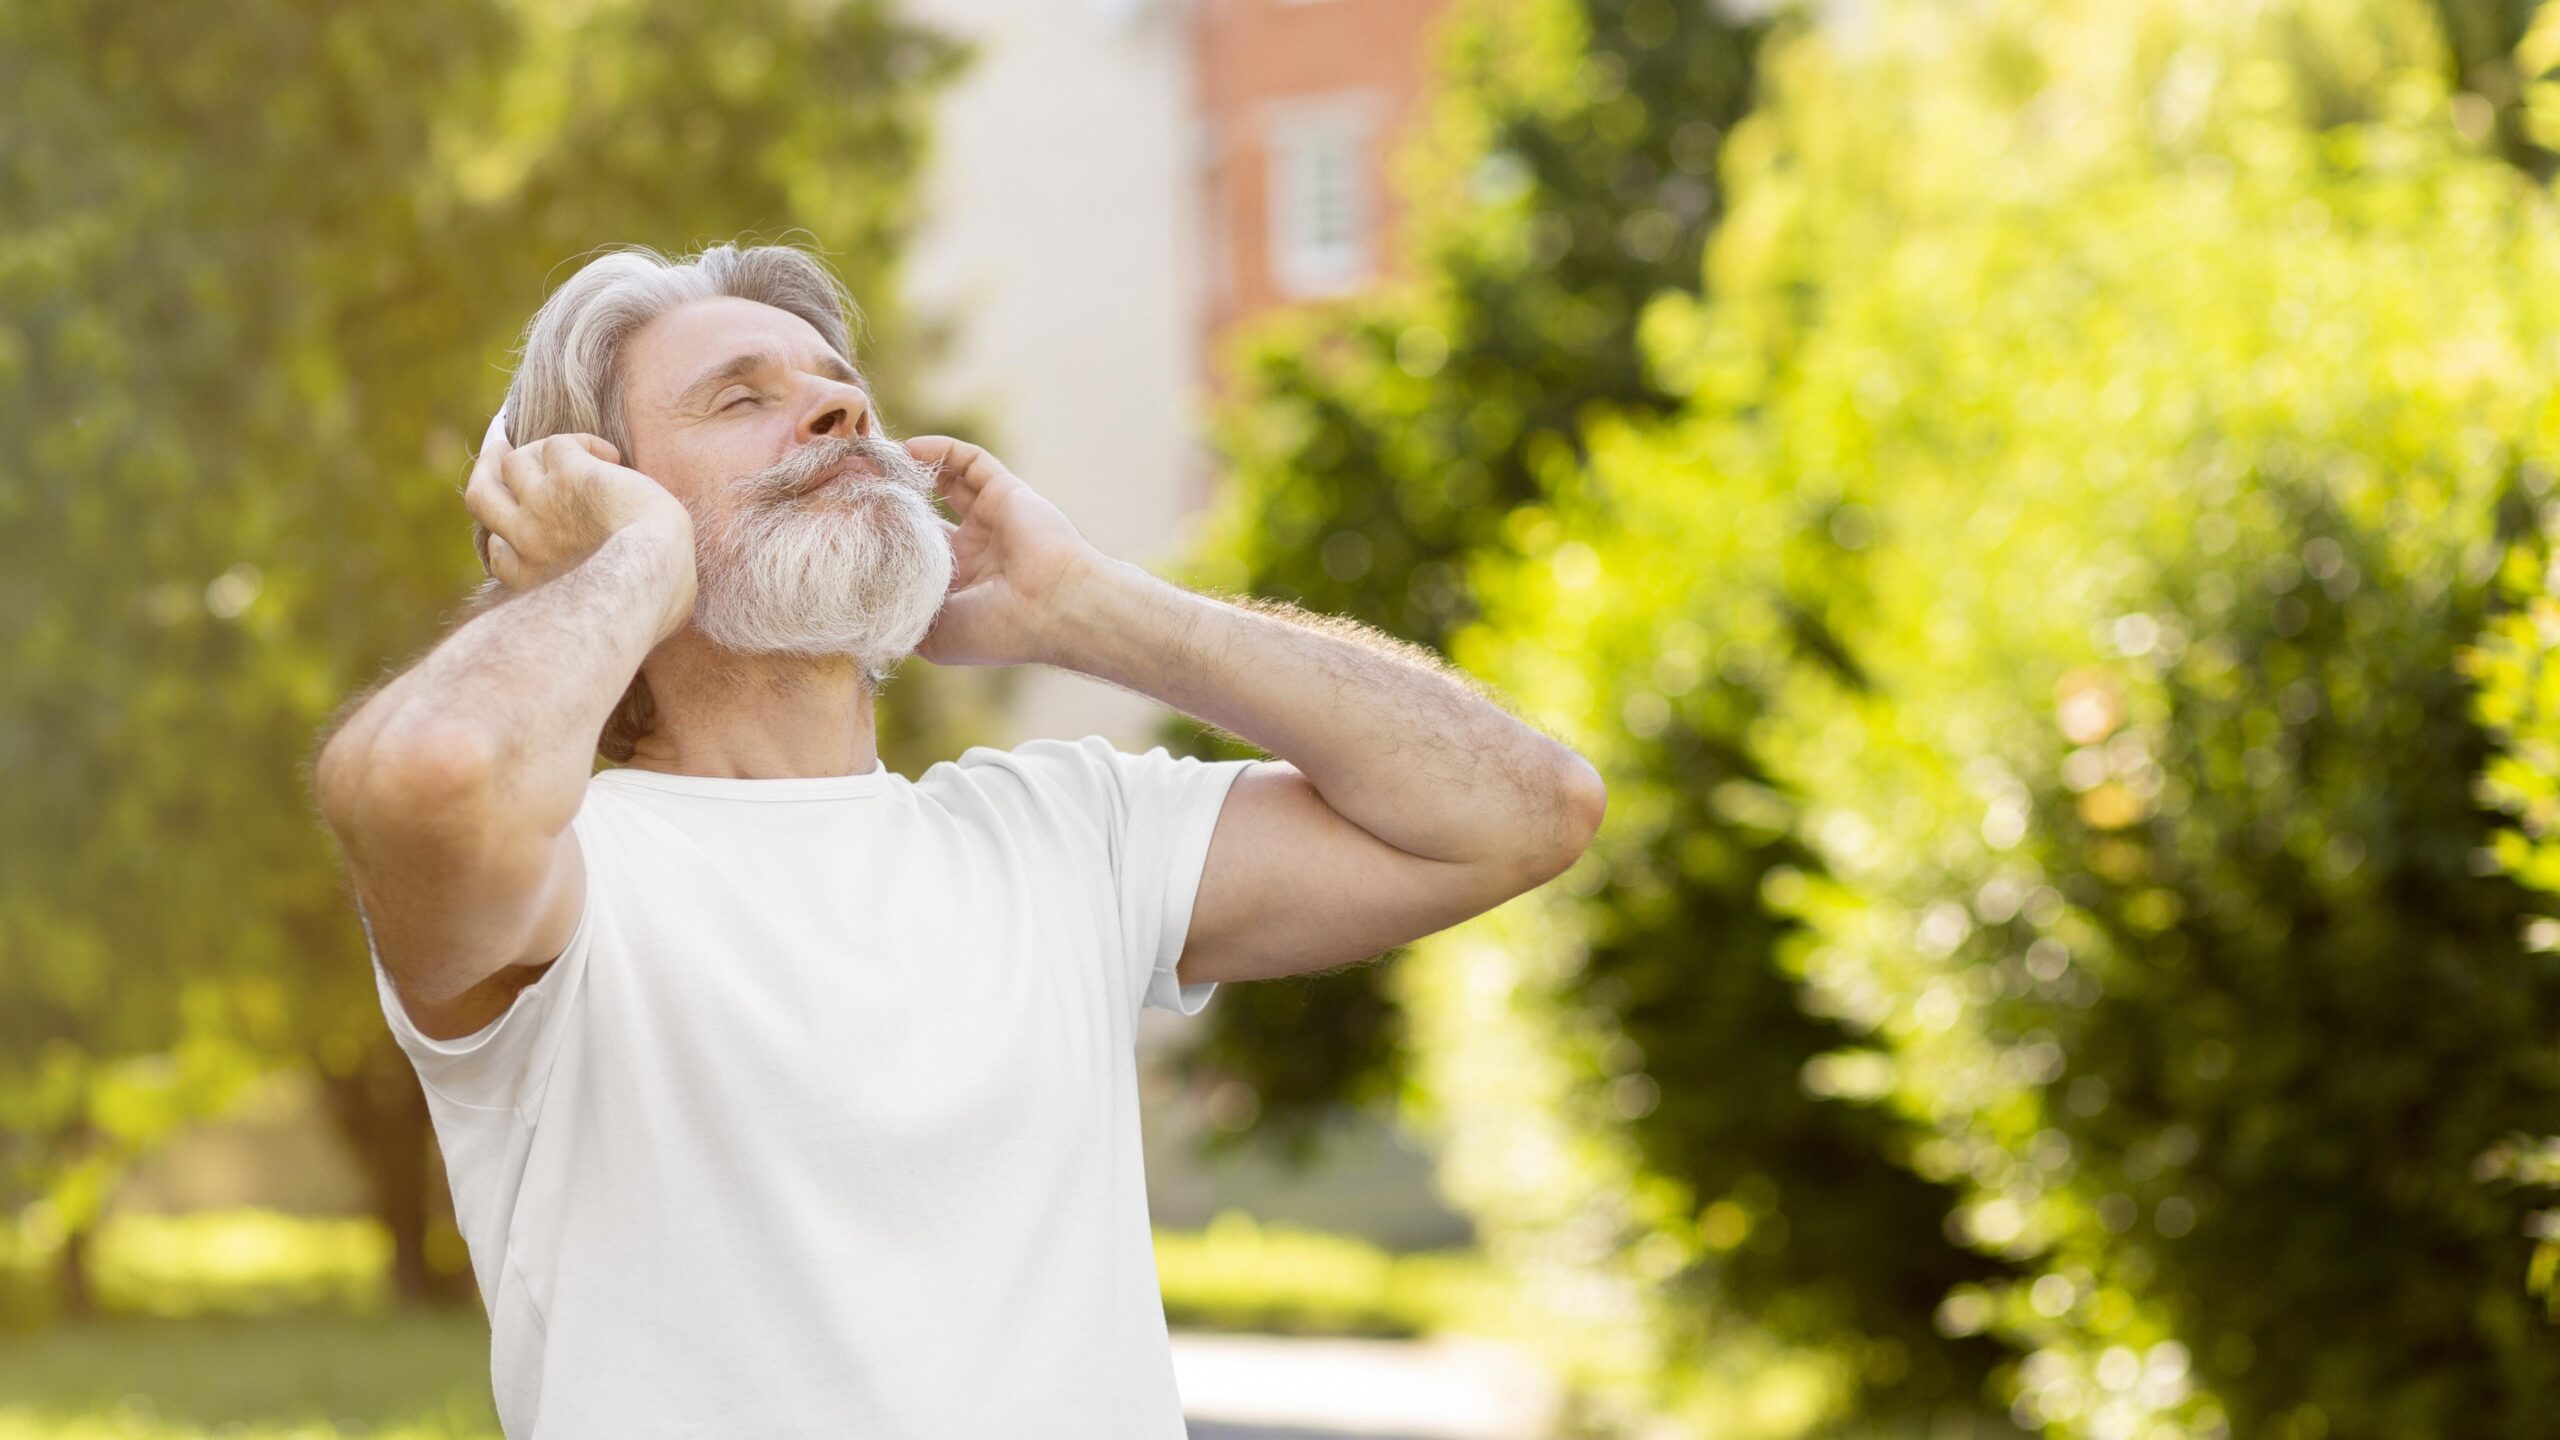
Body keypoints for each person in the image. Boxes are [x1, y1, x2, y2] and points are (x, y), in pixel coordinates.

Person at [309, 240, 1606, 1438]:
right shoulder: (570, 880)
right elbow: (425, 773)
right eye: (739, 398)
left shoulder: (1062, 835)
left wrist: (1090, 608)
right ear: (593, 494)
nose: (838, 412)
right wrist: (636, 565)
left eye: (840, 386)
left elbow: (1524, 812)